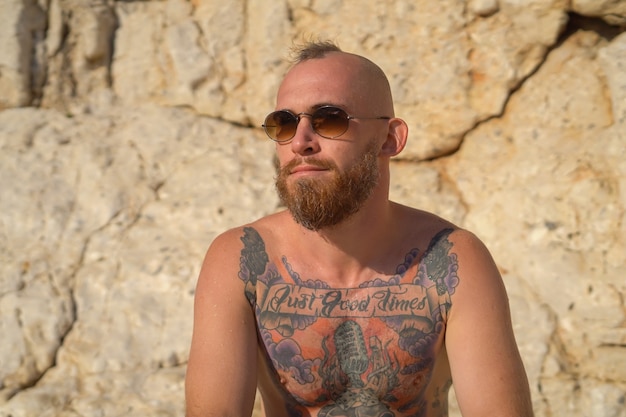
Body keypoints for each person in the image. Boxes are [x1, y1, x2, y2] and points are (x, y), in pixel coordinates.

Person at [185, 40, 534, 417]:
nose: (300, 142)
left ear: (389, 138)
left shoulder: (451, 261)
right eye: (284, 123)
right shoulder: (242, 259)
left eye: (329, 119)